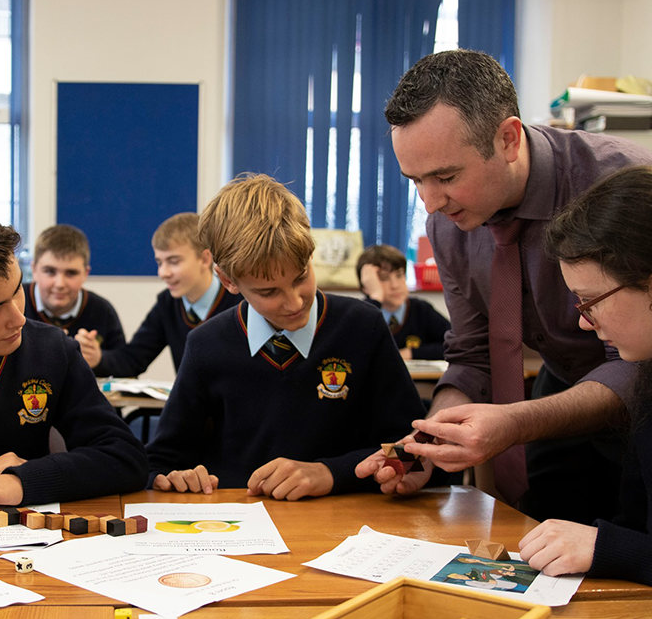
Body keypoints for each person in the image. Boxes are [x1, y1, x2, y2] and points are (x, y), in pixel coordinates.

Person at [356, 49, 652, 524]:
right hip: (561, 395)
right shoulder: (449, 224)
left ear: (509, 139)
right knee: (541, 544)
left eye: (446, 177)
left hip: (641, 398)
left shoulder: (617, 184)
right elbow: (473, 352)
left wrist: (516, 422)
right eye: (415, 181)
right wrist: (434, 438)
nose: (430, 203)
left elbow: (642, 362)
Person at [146, 174, 424, 500]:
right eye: (268, 291)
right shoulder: (206, 344)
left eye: (301, 276)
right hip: (238, 528)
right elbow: (159, 463)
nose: (294, 302)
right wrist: (176, 477)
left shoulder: (364, 327)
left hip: (345, 525)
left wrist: (331, 473)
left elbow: (413, 451)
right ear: (228, 280)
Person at [0, 198, 148, 511]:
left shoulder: (51, 349)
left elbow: (125, 458)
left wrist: (20, 481)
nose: (19, 318)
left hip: (26, 543)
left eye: (18, 290)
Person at [519, 166, 652, 585]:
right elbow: (637, 520)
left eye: (591, 301)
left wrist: (604, 546)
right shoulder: (645, 374)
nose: (584, 324)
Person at [81, 212, 241, 377]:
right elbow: (133, 359)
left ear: (205, 259)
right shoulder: (167, 303)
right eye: (159, 262)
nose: (163, 272)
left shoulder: (242, 301)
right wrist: (98, 358)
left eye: (174, 261)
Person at [24, 224, 126, 374]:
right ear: (34, 270)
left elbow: (126, 364)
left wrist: (99, 359)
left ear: (85, 273)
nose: (60, 284)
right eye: (50, 271)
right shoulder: (14, 303)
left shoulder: (102, 310)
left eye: (71, 273)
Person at [356, 244, 450, 360]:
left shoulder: (421, 309)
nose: (395, 285)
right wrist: (376, 297)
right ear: (366, 285)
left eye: (399, 275)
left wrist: (411, 353)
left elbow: (456, 344)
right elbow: (352, 349)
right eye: (384, 278)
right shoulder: (361, 312)